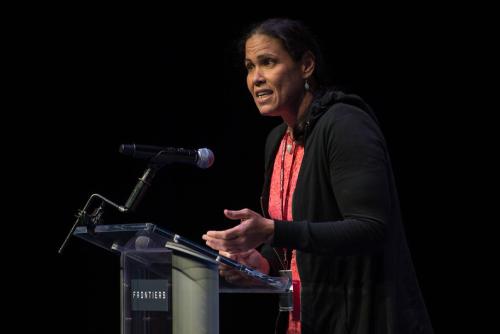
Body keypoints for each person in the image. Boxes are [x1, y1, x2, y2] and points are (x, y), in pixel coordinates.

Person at [202, 18, 433, 334]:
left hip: (364, 319)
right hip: (306, 320)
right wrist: (262, 262)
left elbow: (371, 227)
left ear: (306, 65)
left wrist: (272, 230)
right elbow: (301, 239)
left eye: (268, 63)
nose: (256, 78)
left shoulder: (345, 124)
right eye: (249, 66)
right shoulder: (277, 141)